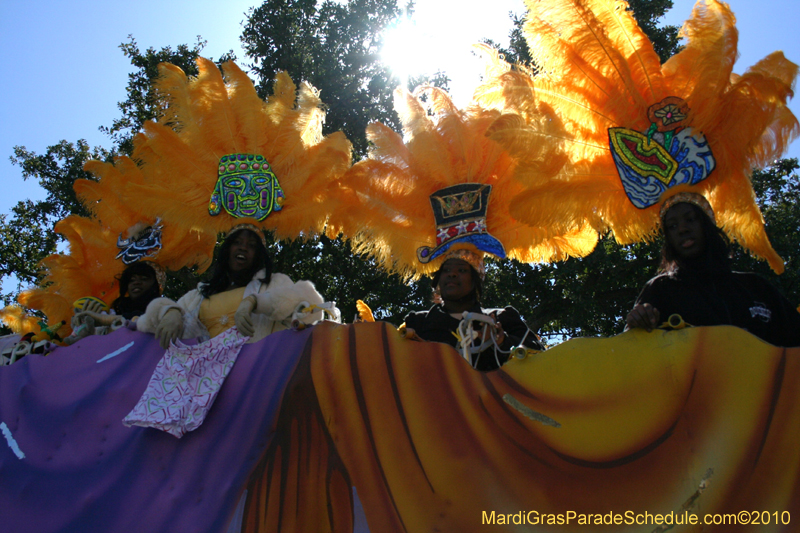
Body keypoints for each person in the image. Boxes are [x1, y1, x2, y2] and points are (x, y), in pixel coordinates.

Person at [625, 194, 800, 347]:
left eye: (691, 219)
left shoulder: (756, 287)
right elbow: (632, 353)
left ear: (707, 225)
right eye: (672, 226)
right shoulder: (661, 289)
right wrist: (638, 323)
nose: (682, 229)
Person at [138, 225, 325, 348]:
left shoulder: (274, 284)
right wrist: (170, 312)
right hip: (198, 390)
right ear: (227, 250)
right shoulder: (199, 294)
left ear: (258, 256)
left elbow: (313, 308)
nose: (243, 248)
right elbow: (145, 324)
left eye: (251, 245)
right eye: (237, 243)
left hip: (250, 389)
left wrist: (255, 302)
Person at [403, 250, 544, 371]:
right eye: (446, 270)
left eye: (462, 270)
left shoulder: (502, 317)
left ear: (476, 280)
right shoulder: (417, 323)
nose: (452, 274)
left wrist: (502, 341)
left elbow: (541, 357)